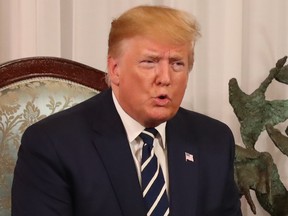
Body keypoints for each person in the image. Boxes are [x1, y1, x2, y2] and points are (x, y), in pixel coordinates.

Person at [12, 5, 242, 216]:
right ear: (115, 70)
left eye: (177, 63)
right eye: (149, 62)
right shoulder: (53, 144)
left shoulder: (214, 140)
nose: (165, 78)